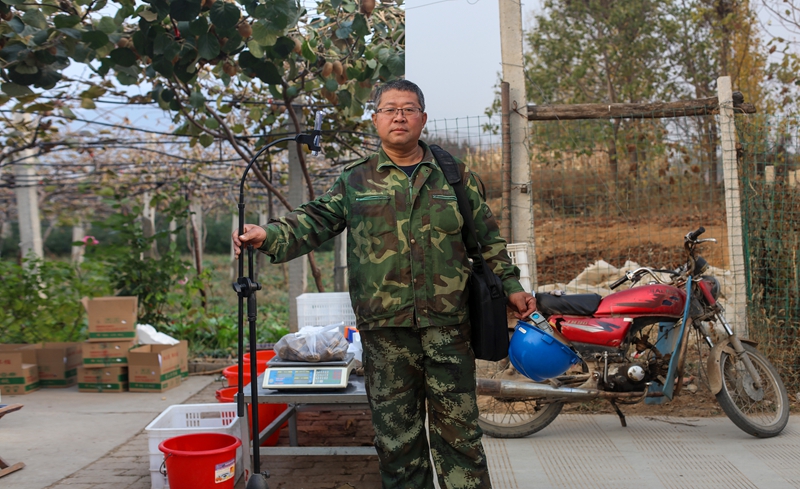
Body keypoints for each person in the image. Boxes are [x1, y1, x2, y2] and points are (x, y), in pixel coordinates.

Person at [232, 79, 536, 489]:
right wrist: (266, 235)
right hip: (385, 333)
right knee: (398, 442)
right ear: (375, 119)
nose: (399, 116)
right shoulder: (355, 182)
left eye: (408, 109)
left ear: (423, 119)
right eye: (389, 109)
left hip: (447, 328)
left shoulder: (455, 176)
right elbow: (313, 220)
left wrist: (513, 286)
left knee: (460, 437)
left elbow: (487, 239)